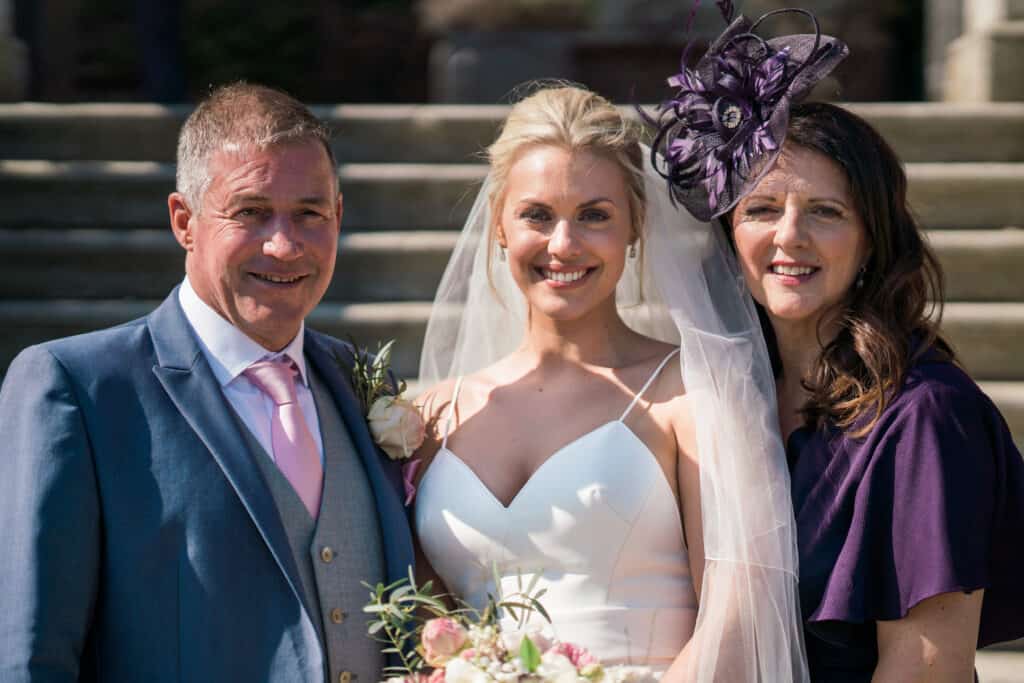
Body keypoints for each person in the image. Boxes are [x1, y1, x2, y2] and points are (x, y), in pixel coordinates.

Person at [652, 8, 1024, 679]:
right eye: (762, 209)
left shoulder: (925, 418)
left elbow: (927, 670)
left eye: (825, 212)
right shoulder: (727, 397)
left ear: (873, 238)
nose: (789, 237)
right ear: (730, 236)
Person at [0, 82, 415, 682]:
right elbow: (29, 656)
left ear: (339, 217)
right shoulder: (76, 388)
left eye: (309, 213)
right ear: (184, 221)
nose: (284, 243)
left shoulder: (362, 384)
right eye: (250, 212)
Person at [411, 82, 809, 681]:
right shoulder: (432, 416)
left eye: (594, 215)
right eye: (536, 216)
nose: (563, 245)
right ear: (499, 225)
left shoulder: (693, 395)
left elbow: (741, 611)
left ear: (635, 226)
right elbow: (422, 621)